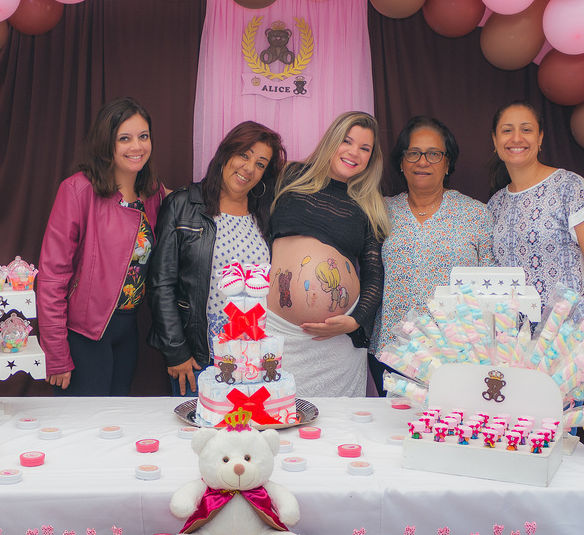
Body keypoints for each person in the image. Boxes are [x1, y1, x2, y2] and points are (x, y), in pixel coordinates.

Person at [147, 121, 287, 397]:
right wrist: (177, 352)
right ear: (225, 153)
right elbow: (160, 284)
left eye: (260, 164)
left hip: (253, 355)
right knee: (201, 433)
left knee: (250, 434)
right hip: (200, 355)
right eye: (244, 155)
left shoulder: (266, 214)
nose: (249, 168)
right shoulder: (183, 205)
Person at [37, 97, 165, 396]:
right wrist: (56, 351)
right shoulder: (78, 190)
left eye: (143, 136)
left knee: (114, 426)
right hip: (83, 335)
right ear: (107, 143)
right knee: (82, 431)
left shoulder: (153, 193)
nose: (137, 146)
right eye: (125, 138)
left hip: (127, 330)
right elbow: (52, 275)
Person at [266, 111, 388, 397]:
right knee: (272, 420)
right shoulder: (289, 175)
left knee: (334, 431)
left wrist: (356, 319)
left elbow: (374, 272)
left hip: (335, 343)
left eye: (364, 148)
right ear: (332, 141)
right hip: (276, 331)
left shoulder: (369, 204)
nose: (354, 152)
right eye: (347, 141)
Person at [371, 116, 495, 369]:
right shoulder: (381, 211)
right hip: (393, 349)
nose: (423, 162)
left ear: (448, 162)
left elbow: (491, 289)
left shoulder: (477, 214)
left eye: (434, 154)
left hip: (457, 353)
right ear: (401, 163)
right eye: (413, 153)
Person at [487, 100, 584, 308]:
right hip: (513, 335)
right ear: (495, 140)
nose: (516, 138)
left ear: (540, 138)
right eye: (507, 130)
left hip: (568, 333)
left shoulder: (569, 187)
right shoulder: (495, 204)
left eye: (526, 129)